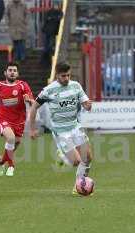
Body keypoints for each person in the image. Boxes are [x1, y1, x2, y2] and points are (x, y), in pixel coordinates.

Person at [28, 62, 93, 195]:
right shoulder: (49, 90)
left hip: (76, 127)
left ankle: (78, 186)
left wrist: (88, 106)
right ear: (57, 75)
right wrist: (32, 128)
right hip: (61, 131)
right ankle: (62, 156)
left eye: (68, 75)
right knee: (76, 161)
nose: (66, 78)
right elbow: (34, 107)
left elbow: (86, 103)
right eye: (63, 76)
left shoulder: (76, 86)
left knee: (88, 158)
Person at [0, 62, 34, 177]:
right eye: (10, 70)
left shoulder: (23, 85)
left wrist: (29, 100)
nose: (12, 72)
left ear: (18, 73)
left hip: (19, 120)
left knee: (16, 142)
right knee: (11, 138)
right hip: (3, 119)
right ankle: (11, 166)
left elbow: (33, 102)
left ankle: (1, 161)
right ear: (5, 73)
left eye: (14, 70)